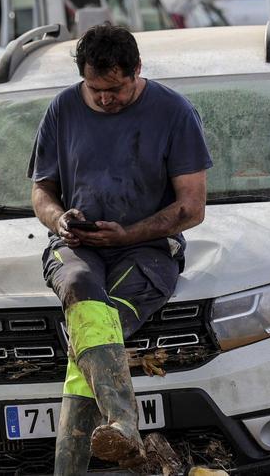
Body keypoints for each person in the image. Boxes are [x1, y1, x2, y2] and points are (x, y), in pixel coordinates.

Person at [29, 24, 211, 473]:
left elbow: (192, 208)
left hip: (148, 252)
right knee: (78, 284)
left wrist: (127, 235)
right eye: (95, 89)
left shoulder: (174, 113)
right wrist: (59, 218)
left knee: (90, 340)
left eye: (115, 89)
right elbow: (41, 193)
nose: (105, 99)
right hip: (77, 247)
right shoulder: (62, 109)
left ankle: (76, 462)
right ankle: (124, 423)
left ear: (136, 72)